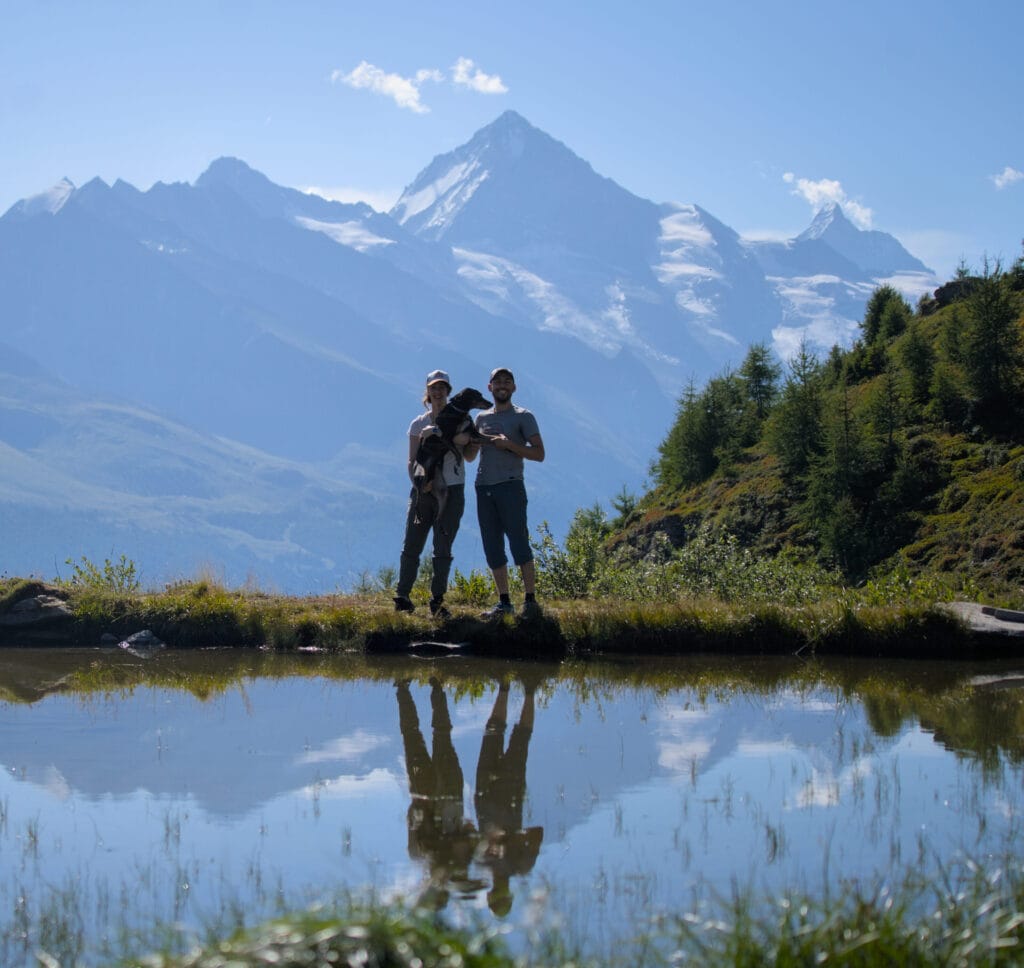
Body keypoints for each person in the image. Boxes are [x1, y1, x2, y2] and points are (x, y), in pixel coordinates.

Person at [464, 367, 545, 619]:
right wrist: (468, 442)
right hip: (483, 486)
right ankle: (504, 602)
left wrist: (508, 444)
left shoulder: (523, 416)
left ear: (514, 388)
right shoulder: (480, 419)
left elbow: (539, 454)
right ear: (489, 387)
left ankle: (530, 601)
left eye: (507, 382)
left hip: (511, 485)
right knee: (492, 545)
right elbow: (469, 457)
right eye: (497, 381)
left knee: (519, 540)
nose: (502, 385)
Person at [393, 369, 475, 618]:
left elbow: (470, 456)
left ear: (449, 391)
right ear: (427, 392)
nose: (437, 392)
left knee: (443, 545)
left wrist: (468, 440)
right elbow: (411, 461)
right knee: (412, 544)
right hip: (423, 490)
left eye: (442, 388)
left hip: (452, 488)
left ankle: (437, 600)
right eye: (433, 388)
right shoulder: (418, 423)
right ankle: (402, 596)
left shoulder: (463, 421)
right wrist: (420, 485)